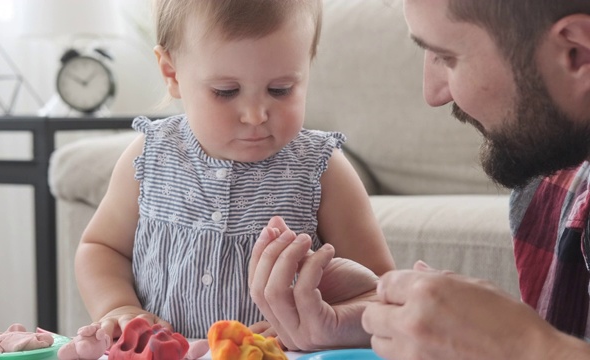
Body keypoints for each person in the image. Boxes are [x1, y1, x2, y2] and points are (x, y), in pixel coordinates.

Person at [248, 0, 590, 358]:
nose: (433, 93)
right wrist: (374, 313)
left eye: (447, 57)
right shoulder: (549, 183)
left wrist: (523, 347)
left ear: (575, 53)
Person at [74, 0, 395, 341]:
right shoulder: (151, 157)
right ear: (172, 73)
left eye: (280, 90)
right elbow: (101, 247)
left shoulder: (321, 168)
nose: (255, 114)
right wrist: (118, 307)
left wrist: (314, 324)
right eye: (226, 92)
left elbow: (377, 290)